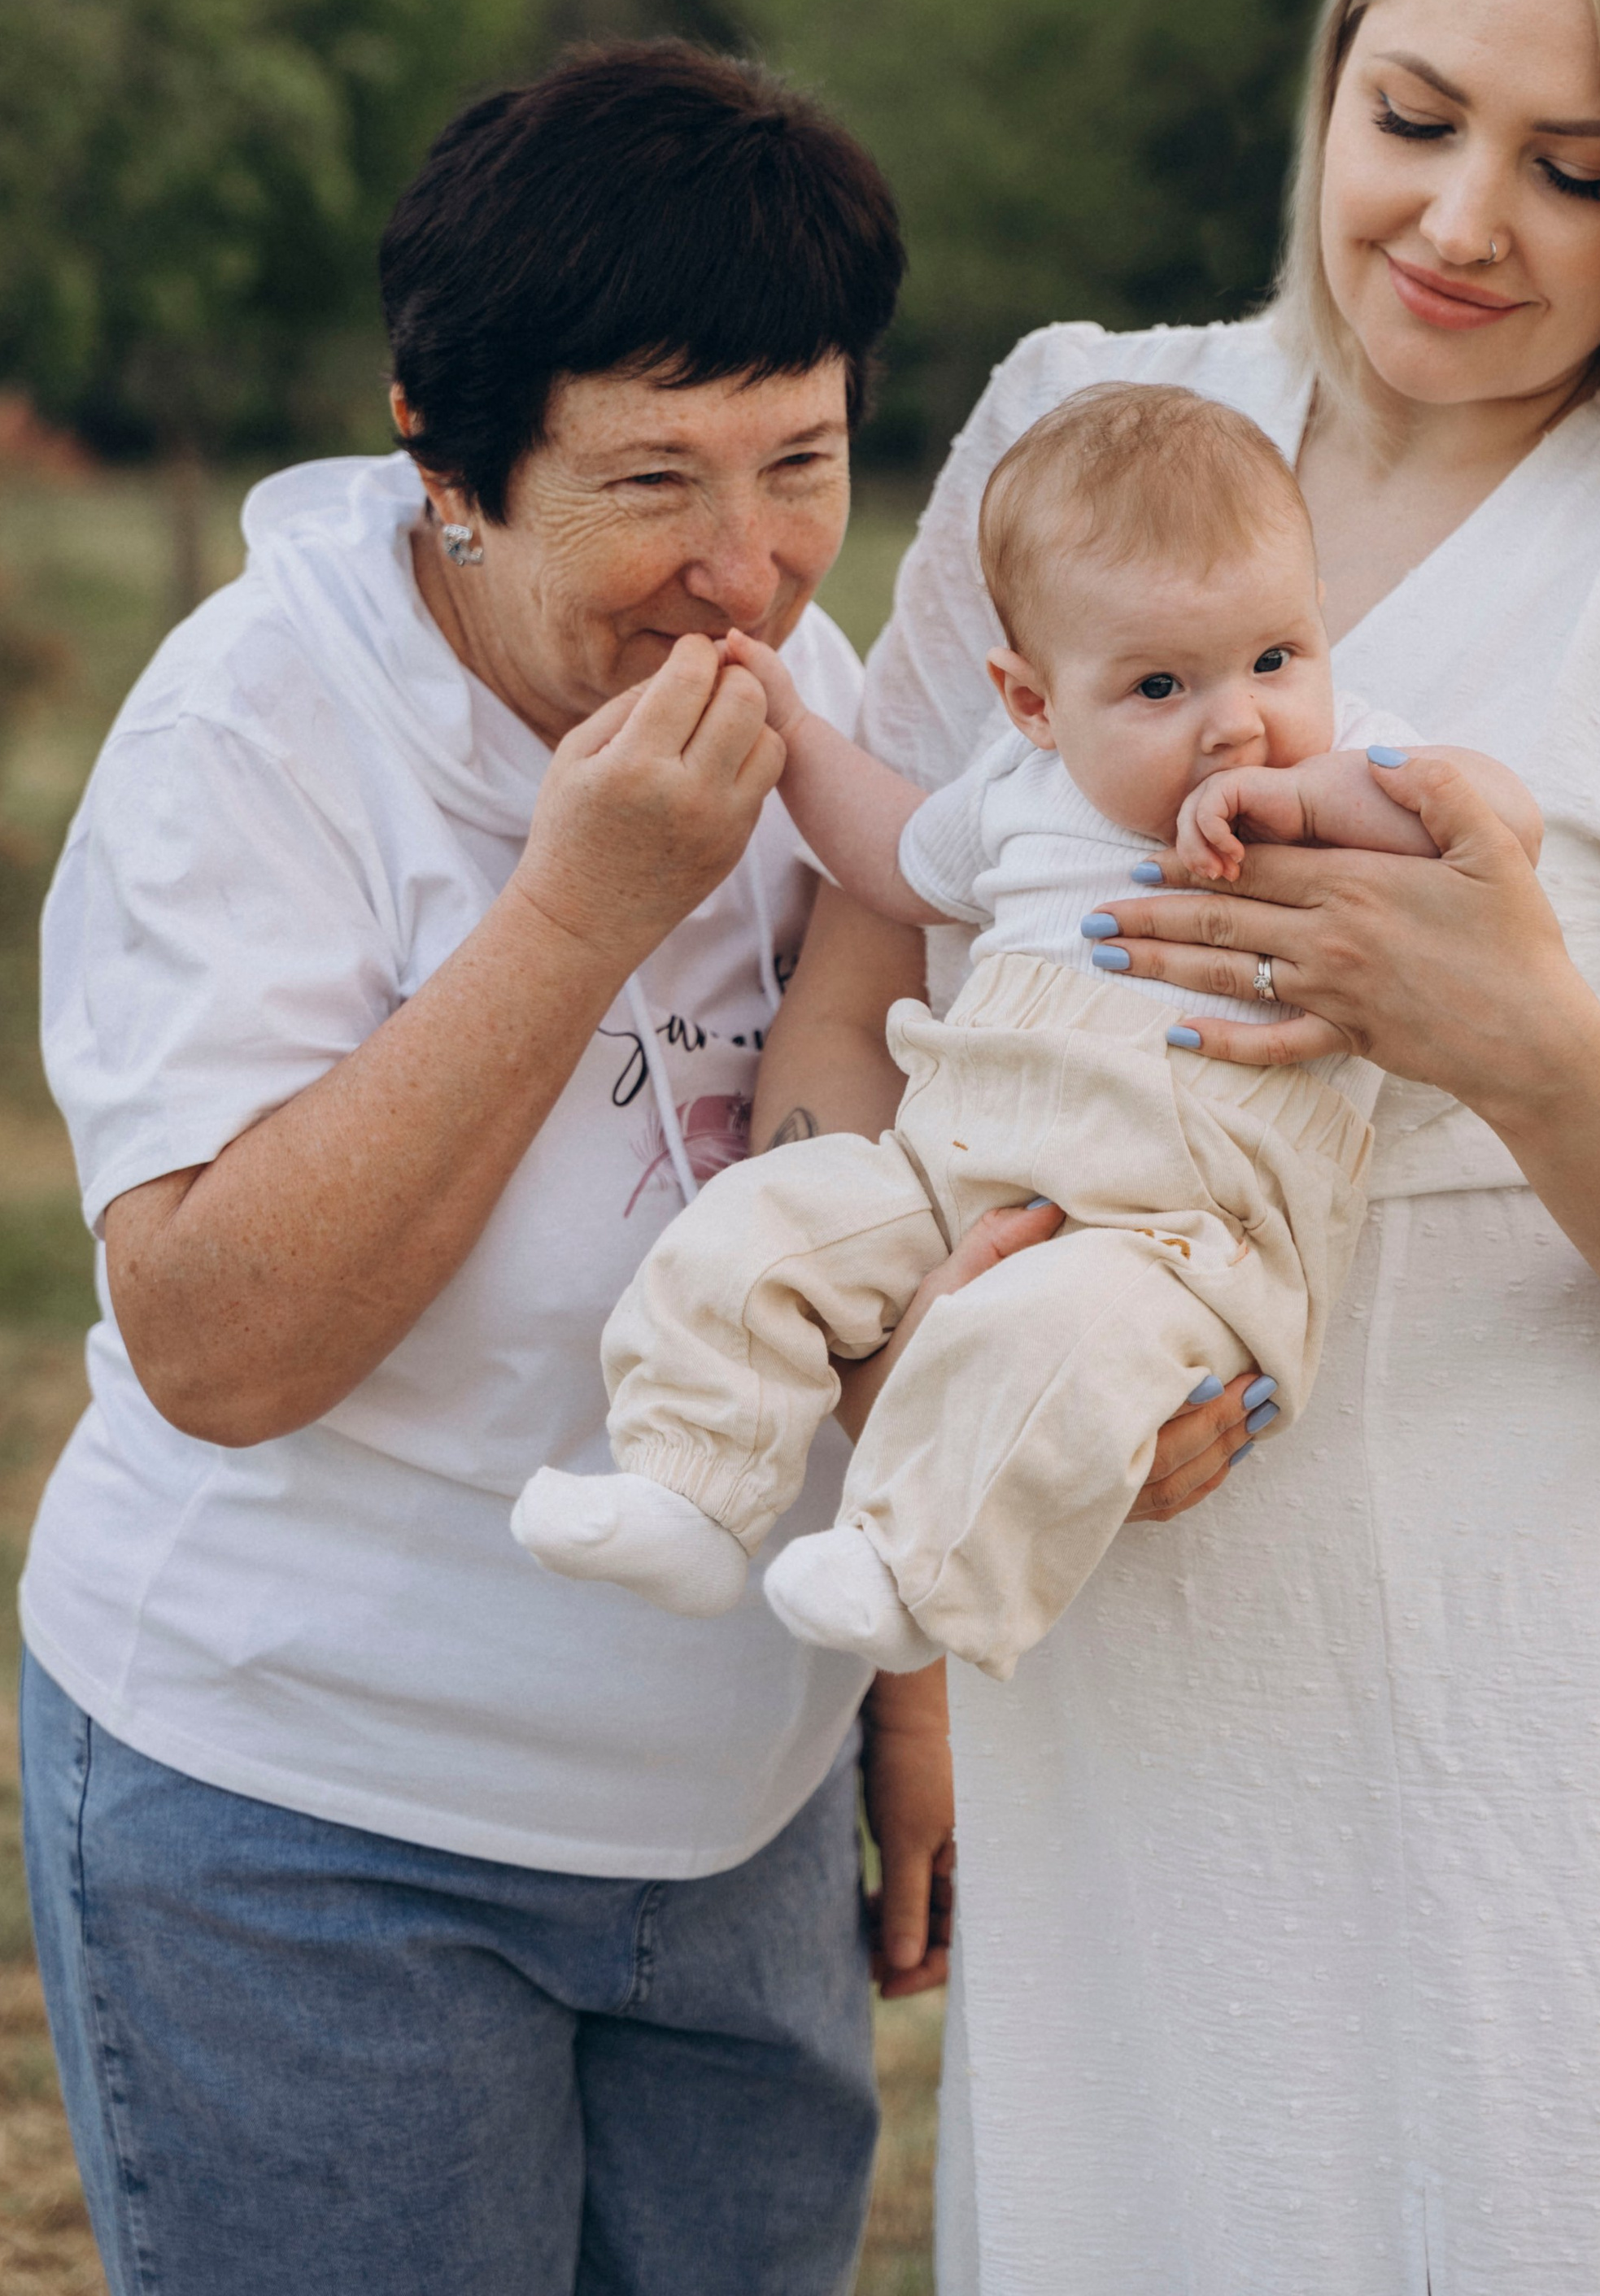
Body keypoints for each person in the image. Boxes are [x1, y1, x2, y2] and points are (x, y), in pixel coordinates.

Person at [754, 0, 1600, 2295]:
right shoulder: (1086, 431)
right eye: (1413, 118)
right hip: (1131, 1724)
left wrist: (1529, 1044)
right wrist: (912, 1583)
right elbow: (865, 1001)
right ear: (1329, 77)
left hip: (1540, 1749)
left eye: (1577, 171)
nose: (1458, 221)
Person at [20, 38, 1022, 2296]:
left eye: (803, 463)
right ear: (442, 447)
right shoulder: (247, 734)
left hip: (732, 1817)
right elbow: (218, 1345)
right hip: (313, 1827)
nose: (745, 571)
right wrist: (577, 911)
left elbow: (844, 1188)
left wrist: (902, 1688)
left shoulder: (804, 665)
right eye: (653, 481)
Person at [513, 382, 1541, 1684]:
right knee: (754, 1226)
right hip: (948, 1168)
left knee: (1049, 1341)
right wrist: (794, 729)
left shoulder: (1350, 778)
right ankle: (688, 1485)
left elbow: (1501, 823)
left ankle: (916, 1572)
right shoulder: (1021, 793)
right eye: (1162, 684)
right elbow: (890, 855)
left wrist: (1320, 793)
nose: (1238, 718)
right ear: (1033, 702)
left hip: (1177, 1235)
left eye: (1278, 659)